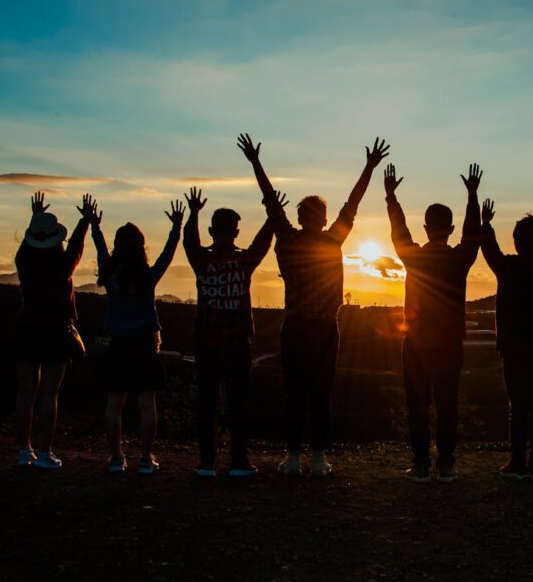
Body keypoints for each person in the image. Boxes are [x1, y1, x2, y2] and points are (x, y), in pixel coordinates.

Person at [238, 133, 389, 477]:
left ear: (300, 216)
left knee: (294, 393)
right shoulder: (333, 239)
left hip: (295, 327)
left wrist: (255, 163)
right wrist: (368, 167)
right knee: (322, 394)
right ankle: (319, 458)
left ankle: (292, 458)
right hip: (324, 328)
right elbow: (353, 203)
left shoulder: (288, 239)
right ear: (322, 218)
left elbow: (270, 201)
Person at [384, 162, 482, 483]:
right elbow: (474, 235)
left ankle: (422, 465)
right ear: (450, 228)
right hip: (450, 342)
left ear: (426, 228)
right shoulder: (460, 258)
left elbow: (399, 232)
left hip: (416, 341)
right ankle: (446, 465)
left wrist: (391, 198)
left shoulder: (414, 256)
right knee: (447, 403)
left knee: (418, 404)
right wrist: (472, 196)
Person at [182, 186, 283, 478]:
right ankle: (238, 461)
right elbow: (263, 244)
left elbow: (189, 241)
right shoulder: (243, 261)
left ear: (212, 230)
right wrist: (271, 217)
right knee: (239, 403)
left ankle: (206, 462)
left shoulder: (202, 261)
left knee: (207, 402)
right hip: (238, 343)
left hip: (206, 343)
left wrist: (193, 214)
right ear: (236, 232)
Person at [90, 200, 184, 475]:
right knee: (146, 403)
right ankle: (145, 458)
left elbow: (100, 250)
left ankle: (116, 457)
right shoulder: (147, 277)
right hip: (144, 344)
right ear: (141, 247)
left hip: (118, 344)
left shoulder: (109, 274)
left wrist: (95, 226)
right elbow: (167, 254)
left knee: (115, 402)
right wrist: (176, 227)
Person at [481, 199, 533, 481]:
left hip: (514, 345)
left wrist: (486, 224)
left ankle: (517, 462)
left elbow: (489, 250)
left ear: (516, 241)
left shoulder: (508, 267)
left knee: (517, 405)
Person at [13, 192, 95, 469]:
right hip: (56, 331)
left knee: (26, 392)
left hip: (27, 327)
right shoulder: (62, 265)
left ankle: (24, 450)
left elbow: (32, 243)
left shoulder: (23, 260)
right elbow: (77, 248)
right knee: (50, 393)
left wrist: (34, 216)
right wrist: (85, 221)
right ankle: (46, 450)